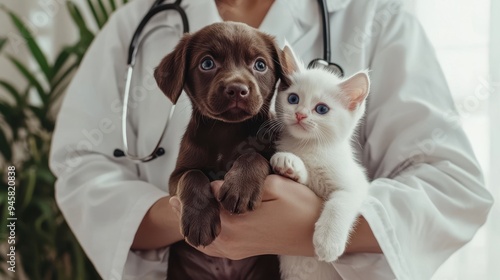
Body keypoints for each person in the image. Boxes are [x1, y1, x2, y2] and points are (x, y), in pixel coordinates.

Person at [49, 0, 494, 279]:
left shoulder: (376, 16)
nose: (238, 82)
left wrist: (312, 224)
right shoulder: (139, 22)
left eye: (261, 68)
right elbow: (79, 167)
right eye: (208, 64)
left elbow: (452, 187)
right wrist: (191, 212)